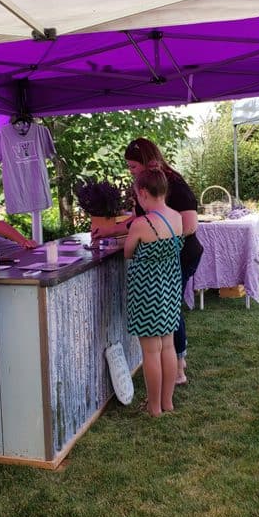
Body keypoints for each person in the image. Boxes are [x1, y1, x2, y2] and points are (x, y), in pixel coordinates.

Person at [94, 137, 203, 384]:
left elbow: (190, 225)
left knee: (171, 311)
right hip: (166, 258)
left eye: (133, 167)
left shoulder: (175, 185)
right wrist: (111, 231)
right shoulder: (146, 188)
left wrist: (156, 242)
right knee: (169, 311)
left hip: (181, 256)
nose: (130, 172)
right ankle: (174, 366)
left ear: (148, 162)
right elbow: (138, 218)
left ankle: (179, 367)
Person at [124, 169, 184, 417]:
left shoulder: (141, 224)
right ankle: (167, 402)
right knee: (168, 346)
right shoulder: (178, 217)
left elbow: (128, 252)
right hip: (171, 289)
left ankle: (154, 407)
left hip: (146, 292)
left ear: (144, 193)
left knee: (150, 351)